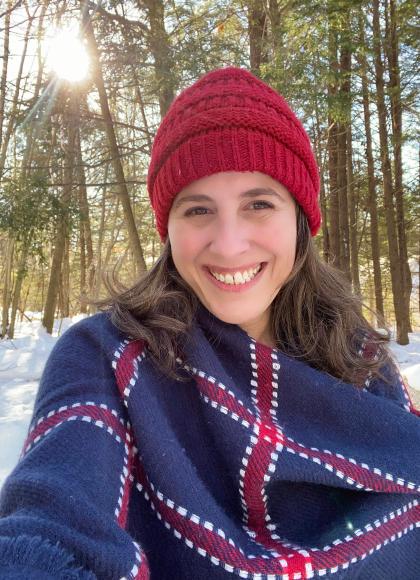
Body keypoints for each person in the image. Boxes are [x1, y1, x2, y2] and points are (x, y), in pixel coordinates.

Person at [0, 67, 419, 579]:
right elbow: (54, 515)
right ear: (169, 230)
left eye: (258, 204)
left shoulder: (362, 362)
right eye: (198, 210)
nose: (229, 244)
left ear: (300, 220)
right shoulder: (105, 359)